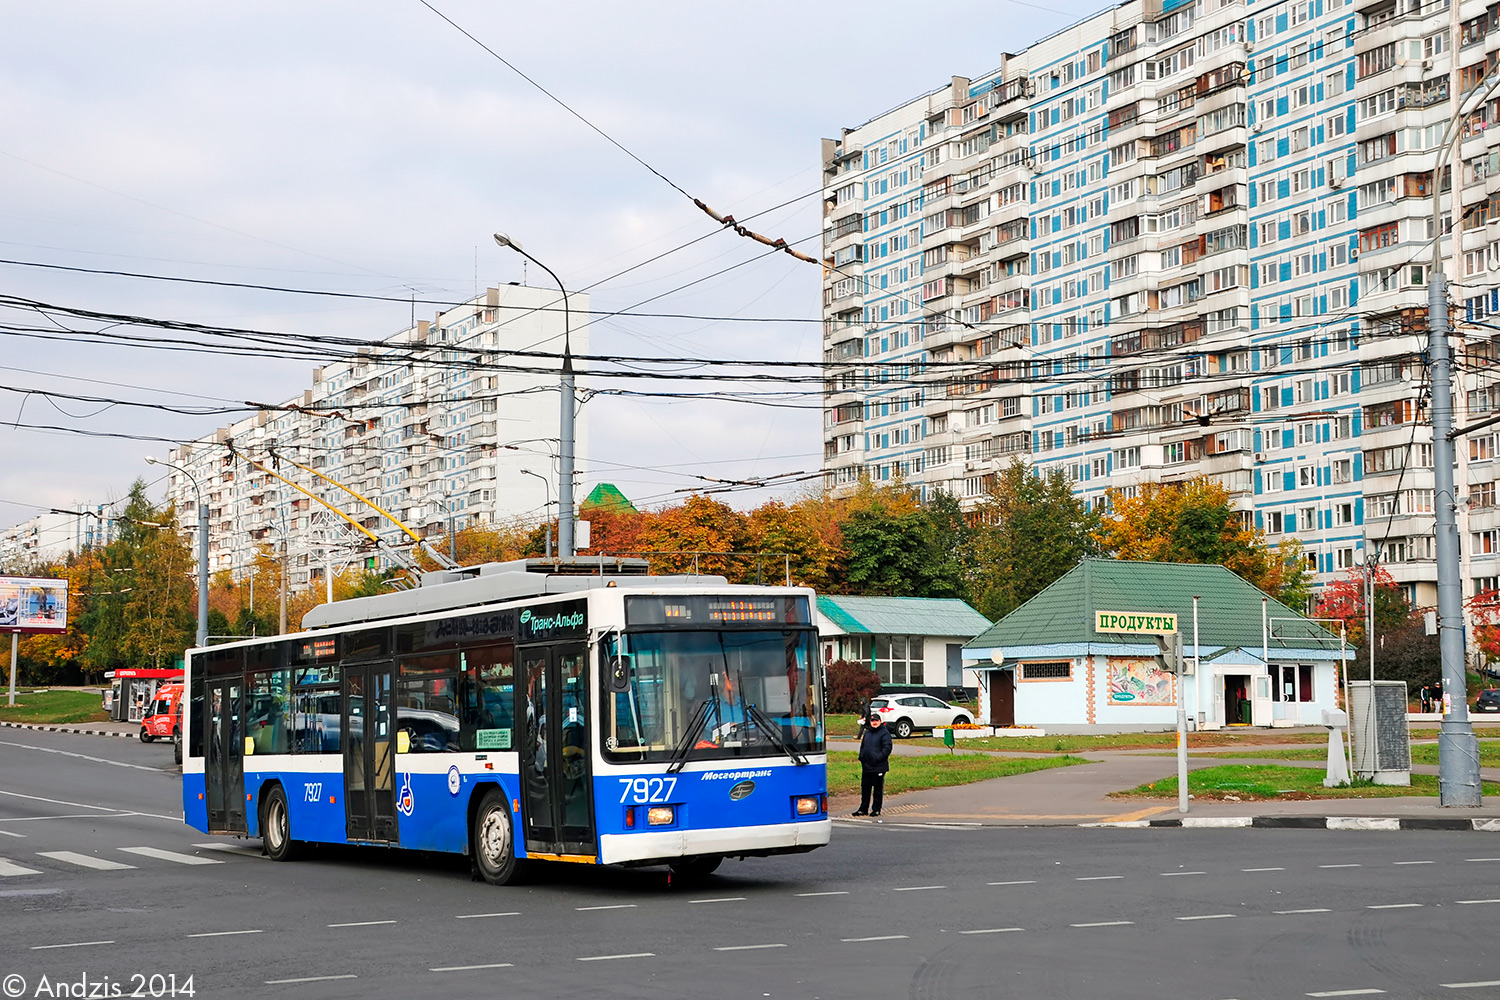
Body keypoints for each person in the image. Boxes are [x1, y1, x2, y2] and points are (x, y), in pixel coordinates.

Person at [853, 712, 893, 818]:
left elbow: (887, 748)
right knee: (865, 788)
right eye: (872, 721)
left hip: (878, 766)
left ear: (880, 722)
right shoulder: (868, 732)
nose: (874, 723)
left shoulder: (884, 733)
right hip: (867, 766)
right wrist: (861, 757)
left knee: (877, 789)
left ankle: (876, 809)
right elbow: (863, 746)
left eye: (876, 721)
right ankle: (863, 809)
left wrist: (877, 758)